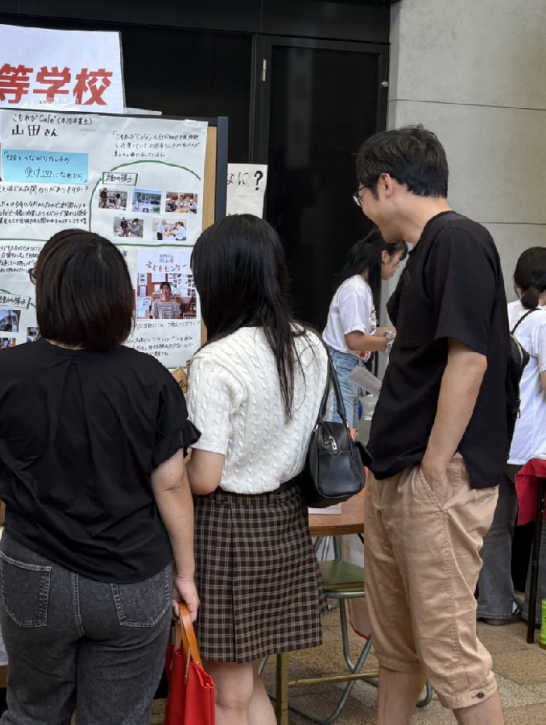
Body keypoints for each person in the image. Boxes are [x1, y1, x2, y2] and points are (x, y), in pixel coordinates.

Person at [0, 229, 200, 725]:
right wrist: (185, 575)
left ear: (48, 293)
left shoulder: (6, 370)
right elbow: (171, 485)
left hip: (34, 567)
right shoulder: (151, 379)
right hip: (132, 573)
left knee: (31, 713)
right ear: (120, 299)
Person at [357, 126, 508, 724]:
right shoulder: (428, 249)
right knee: (396, 651)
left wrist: (437, 466)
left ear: (386, 185)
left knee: (453, 658)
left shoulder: (459, 240)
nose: (364, 210)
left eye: (362, 196)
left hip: (433, 475)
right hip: (398, 470)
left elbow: (470, 362)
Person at [185, 214, 327, 724]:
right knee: (248, 680)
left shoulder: (215, 360)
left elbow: (205, 477)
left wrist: (172, 466)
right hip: (285, 521)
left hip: (227, 530)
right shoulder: (309, 344)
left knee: (228, 693)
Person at [477, 247, 546, 625]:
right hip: (535, 447)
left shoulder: (504, 313)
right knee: (541, 535)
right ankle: (539, 612)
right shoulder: (545, 321)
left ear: (517, 280)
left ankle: (495, 606)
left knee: (495, 527)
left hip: (499, 438)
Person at [321, 229, 406, 428]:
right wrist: (392, 343)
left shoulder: (362, 288)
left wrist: (395, 333)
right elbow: (354, 340)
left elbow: (365, 334)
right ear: (384, 256)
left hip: (350, 368)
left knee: (349, 433)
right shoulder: (355, 289)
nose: (397, 267)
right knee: (341, 435)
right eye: (397, 261)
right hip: (341, 367)